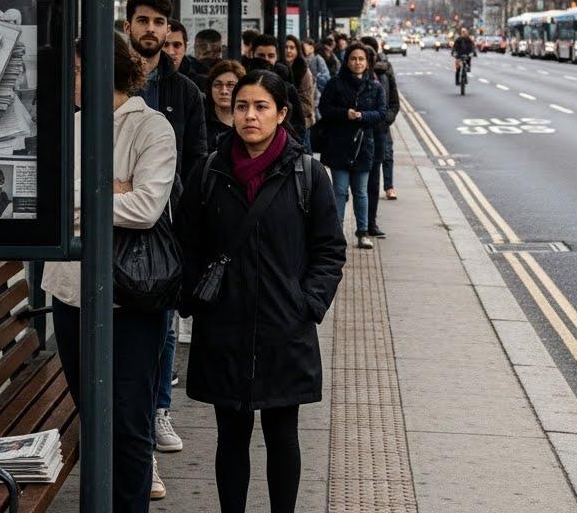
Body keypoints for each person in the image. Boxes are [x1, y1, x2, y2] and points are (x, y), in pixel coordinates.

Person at [177, 71, 346, 513]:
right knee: (230, 436)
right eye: (242, 106)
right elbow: (186, 242)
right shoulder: (209, 171)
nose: (250, 115)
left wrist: (308, 302)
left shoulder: (308, 175)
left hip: (283, 326)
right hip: (224, 326)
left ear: (282, 113)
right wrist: (196, 298)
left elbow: (329, 249)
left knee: (282, 435)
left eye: (261, 107)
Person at [41, 36, 176, 510]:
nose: (71, 80)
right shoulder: (68, 126)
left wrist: (80, 197)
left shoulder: (151, 128)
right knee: (92, 416)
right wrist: (105, 190)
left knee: (128, 422)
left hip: (131, 299)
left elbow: (145, 208)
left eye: (77, 70)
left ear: (105, 71)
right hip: (69, 292)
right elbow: (48, 205)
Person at [124, 0, 207, 181]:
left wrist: (180, 201)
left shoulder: (187, 92)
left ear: (167, 30)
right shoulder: (105, 83)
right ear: (128, 27)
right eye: (143, 20)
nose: (151, 29)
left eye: (158, 22)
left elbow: (195, 157)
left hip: (167, 203)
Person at [317, 43, 386, 249]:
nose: (357, 62)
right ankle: (336, 234)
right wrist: (344, 113)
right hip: (339, 144)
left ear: (367, 62)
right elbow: (325, 109)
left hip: (363, 146)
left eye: (361, 59)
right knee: (338, 191)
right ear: (347, 61)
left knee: (361, 192)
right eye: (353, 58)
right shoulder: (335, 84)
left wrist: (363, 116)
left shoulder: (375, 87)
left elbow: (381, 113)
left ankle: (362, 232)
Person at [359, 38, 401, 236]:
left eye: (367, 57)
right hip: (358, 135)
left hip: (379, 131)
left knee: (374, 178)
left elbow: (394, 101)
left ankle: (371, 223)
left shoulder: (383, 73)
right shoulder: (353, 80)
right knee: (358, 185)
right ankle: (362, 225)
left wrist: (385, 121)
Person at [204, 60, 245, 152]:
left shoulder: (248, 120)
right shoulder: (200, 121)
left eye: (230, 85)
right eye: (218, 85)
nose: (224, 91)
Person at [284, 35, 317, 146]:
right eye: (285, 47)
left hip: (301, 124)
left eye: (292, 47)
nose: (288, 51)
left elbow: (307, 104)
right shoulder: (279, 68)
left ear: (298, 50)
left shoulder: (303, 71)